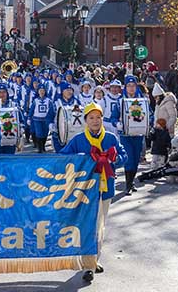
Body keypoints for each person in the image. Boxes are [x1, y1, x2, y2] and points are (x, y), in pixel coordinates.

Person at [60, 102, 128, 282]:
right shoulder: (78, 140)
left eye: (98, 117)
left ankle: (93, 261)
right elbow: (63, 157)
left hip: (105, 190)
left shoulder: (111, 138)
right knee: (87, 226)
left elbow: (124, 156)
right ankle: (87, 262)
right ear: (85, 121)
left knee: (100, 226)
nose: (95, 121)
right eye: (91, 118)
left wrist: (114, 159)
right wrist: (80, 160)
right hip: (84, 192)